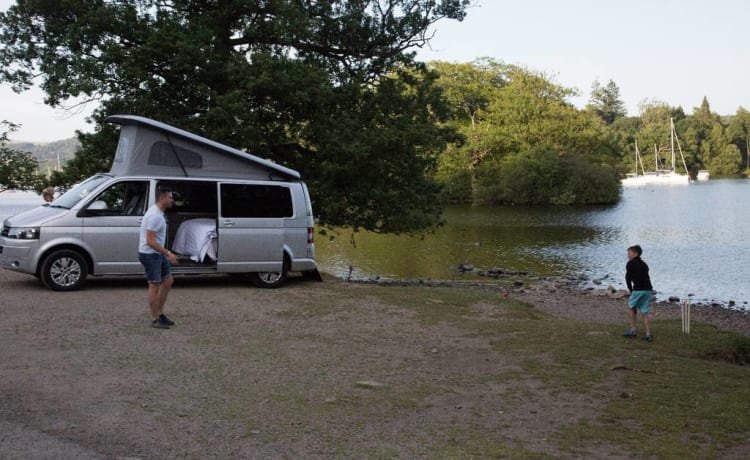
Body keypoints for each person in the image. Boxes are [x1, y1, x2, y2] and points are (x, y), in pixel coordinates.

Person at [138, 187, 179, 329]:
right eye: (169, 197)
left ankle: (159, 313)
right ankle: (155, 318)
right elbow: (150, 241)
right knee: (154, 285)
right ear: (161, 198)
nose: (172, 200)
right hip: (150, 254)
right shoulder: (155, 216)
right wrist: (168, 253)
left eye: (171, 197)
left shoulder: (159, 213)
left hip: (157, 253)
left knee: (168, 281)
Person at [624, 244, 653, 342]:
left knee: (631, 307)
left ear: (635, 253)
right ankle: (648, 334)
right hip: (648, 289)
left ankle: (633, 330)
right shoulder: (644, 264)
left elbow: (628, 278)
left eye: (629, 253)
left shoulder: (630, 263)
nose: (628, 255)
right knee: (644, 311)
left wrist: (630, 289)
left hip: (638, 289)